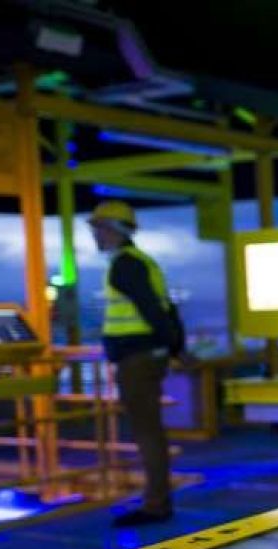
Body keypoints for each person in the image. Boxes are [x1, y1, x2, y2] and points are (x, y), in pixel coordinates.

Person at [92, 200, 179, 527]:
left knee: (147, 432)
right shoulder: (142, 262)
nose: (96, 236)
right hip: (146, 357)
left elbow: (152, 311)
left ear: (116, 230)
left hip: (137, 359)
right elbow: (165, 309)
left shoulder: (126, 265)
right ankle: (157, 500)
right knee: (150, 430)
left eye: (99, 228)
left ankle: (156, 504)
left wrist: (170, 345)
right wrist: (174, 347)